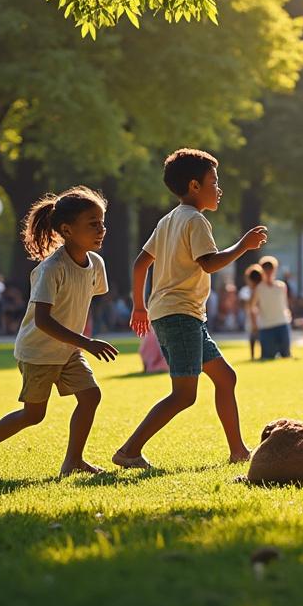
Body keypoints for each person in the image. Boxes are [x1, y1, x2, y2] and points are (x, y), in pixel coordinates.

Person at [115, 148, 268, 468]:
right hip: (180, 315)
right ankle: (129, 450)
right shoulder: (195, 221)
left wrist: (140, 307)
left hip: (178, 315)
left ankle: (238, 451)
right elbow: (209, 264)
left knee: (225, 378)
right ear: (195, 186)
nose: (219, 188)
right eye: (214, 181)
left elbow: (141, 263)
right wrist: (244, 245)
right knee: (184, 394)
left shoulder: (169, 220)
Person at [0, 187, 118, 477]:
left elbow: (85, 302)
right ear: (67, 229)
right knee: (34, 414)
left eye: (102, 222)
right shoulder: (52, 269)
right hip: (38, 352)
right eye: (92, 224)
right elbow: (43, 321)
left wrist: (82, 341)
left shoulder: (96, 263)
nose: (101, 230)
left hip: (68, 350)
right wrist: (87, 342)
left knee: (90, 396)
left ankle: (73, 461)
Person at [253, 255, 292, 360]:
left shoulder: (281, 286)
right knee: (268, 357)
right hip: (266, 327)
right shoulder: (258, 288)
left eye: (271, 269)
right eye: (265, 269)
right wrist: (254, 324)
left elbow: (285, 304)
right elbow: (252, 307)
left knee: (286, 355)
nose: (268, 271)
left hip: (282, 324)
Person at [241, 264, 264, 360]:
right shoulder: (247, 291)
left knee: (258, 337)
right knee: (254, 336)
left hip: (261, 316)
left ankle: (259, 355)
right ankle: (253, 355)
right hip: (256, 317)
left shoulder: (260, 290)